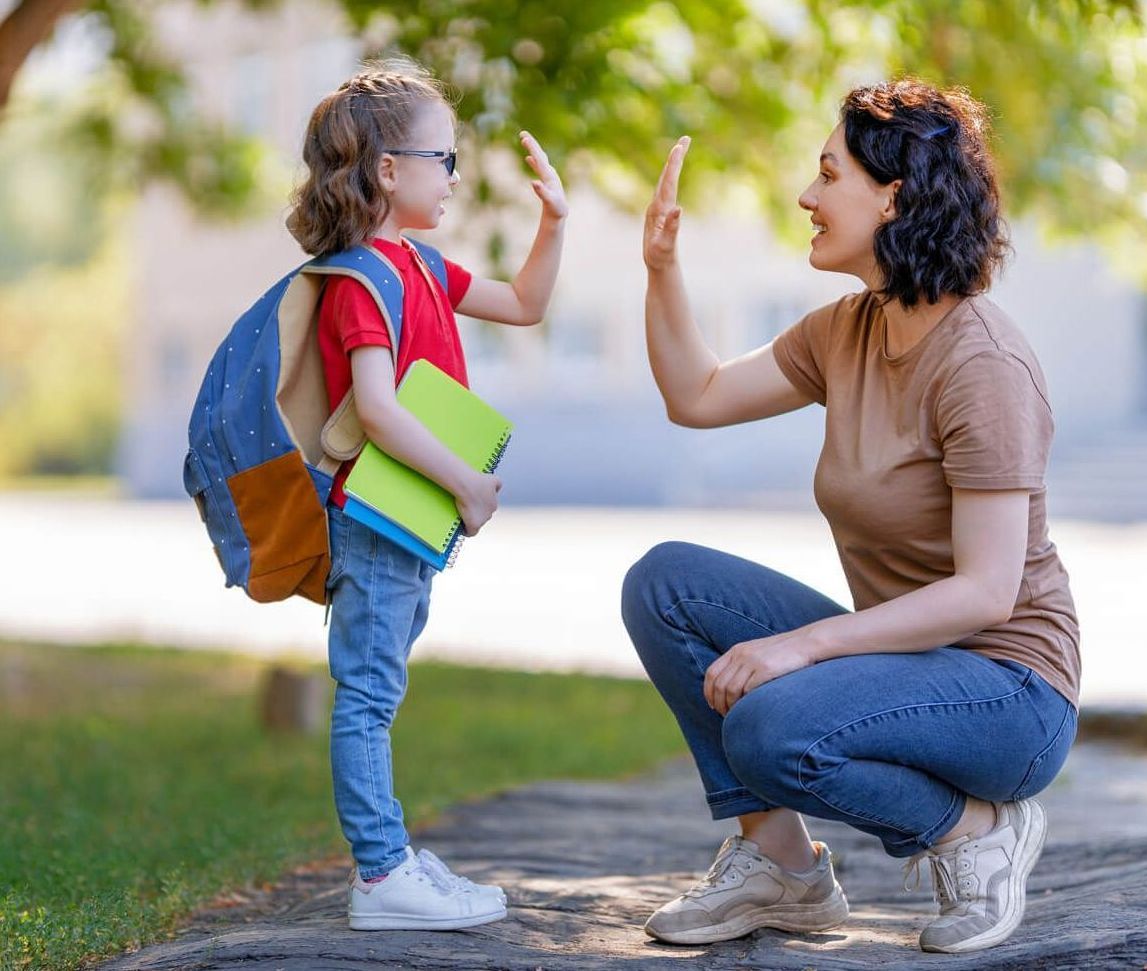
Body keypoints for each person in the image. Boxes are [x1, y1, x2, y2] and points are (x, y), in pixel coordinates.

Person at [622, 79, 1079, 954]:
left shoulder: (982, 362)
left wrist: (800, 646)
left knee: (769, 724)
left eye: (828, 174)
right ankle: (782, 868)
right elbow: (698, 394)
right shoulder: (848, 330)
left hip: (1009, 693)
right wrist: (661, 268)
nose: (807, 196)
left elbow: (985, 593)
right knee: (665, 584)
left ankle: (975, 832)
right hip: (904, 660)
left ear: (893, 195)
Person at [286, 59, 567, 931]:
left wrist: (554, 221)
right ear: (386, 170)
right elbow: (375, 409)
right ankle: (380, 875)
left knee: (382, 684)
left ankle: (393, 855)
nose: (454, 175)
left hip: (405, 519)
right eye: (443, 159)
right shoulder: (362, 279)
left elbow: (523, 302)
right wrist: (466, 483)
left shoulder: (421, 264)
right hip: (376, 518)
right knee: (367, 695)